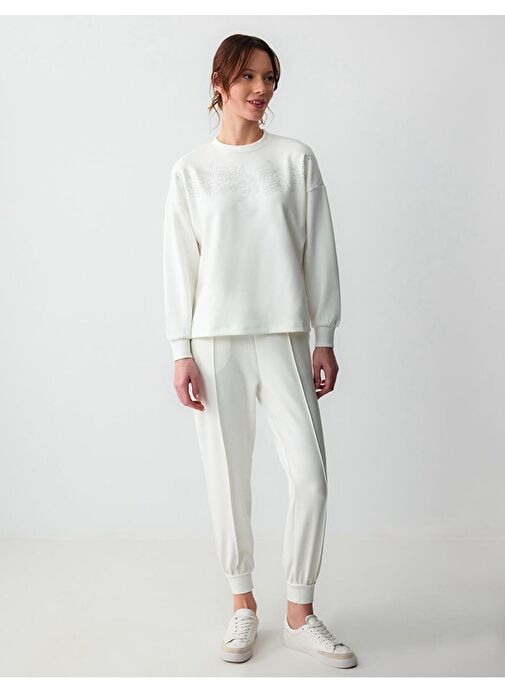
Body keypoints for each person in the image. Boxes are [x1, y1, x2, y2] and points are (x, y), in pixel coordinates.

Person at [163, 33, 358, 669]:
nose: (260, 89)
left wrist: (324, 335)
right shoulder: (191, 171)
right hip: (215, 340)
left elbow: (319, 249)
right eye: (247, 76)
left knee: (311, 477)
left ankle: (300, 612)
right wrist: (180, 349)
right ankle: (242, 604)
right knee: (227, 477)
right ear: (219, 83)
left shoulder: (294, 159)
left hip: (285, 334)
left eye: (269, 77)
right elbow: (179, 266)